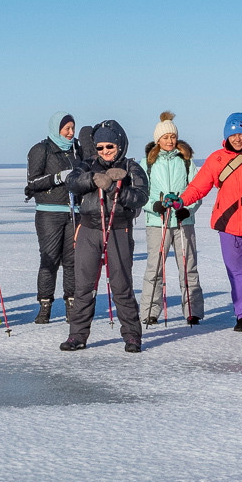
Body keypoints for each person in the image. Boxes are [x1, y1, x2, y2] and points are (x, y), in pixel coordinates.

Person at [178, 112, 242, 332]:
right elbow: (198, 187)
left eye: (240, 134)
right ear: (226, 136)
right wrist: (181, 201)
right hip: (228, 225)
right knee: (237, 271)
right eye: (233, 135)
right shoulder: (216, 159)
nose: (237, 139)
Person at [61, 120, 148, 352]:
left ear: (119, 144)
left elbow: (141, 196)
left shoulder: (131, 167)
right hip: (89, 229)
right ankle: (77, 336)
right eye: (100, 147)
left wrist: (113, 187)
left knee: (121, 285)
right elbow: (71, 182)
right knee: (84, 286)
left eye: (109, 146)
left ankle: (132, 335)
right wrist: (92, 179)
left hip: (119, 229)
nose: (105, 152)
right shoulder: (86, 164)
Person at [140, 112, 204, 326]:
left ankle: (193, 311)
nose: (169, 141)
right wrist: (155, 206)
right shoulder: (147, 163)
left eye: (172, 137)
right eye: (165, 137)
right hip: (157, 223)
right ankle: (150, 311)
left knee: (188, 267)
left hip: (183, 221)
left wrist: (188, 209)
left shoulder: (186, 162)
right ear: (158, 139)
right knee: (154, 268)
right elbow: (140, 195)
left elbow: (197, 190)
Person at [25, 112, 78, 324]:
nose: (70, 133)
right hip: (49, 212)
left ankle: (71, 306)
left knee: (72, 261)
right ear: (57, 129)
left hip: (74, 212)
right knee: (49, 260)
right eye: (66, 129)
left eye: (73, 128)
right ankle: (45, 306)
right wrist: (58, 177)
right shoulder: (41, 150)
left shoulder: (76, 151)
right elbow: (33, 182)